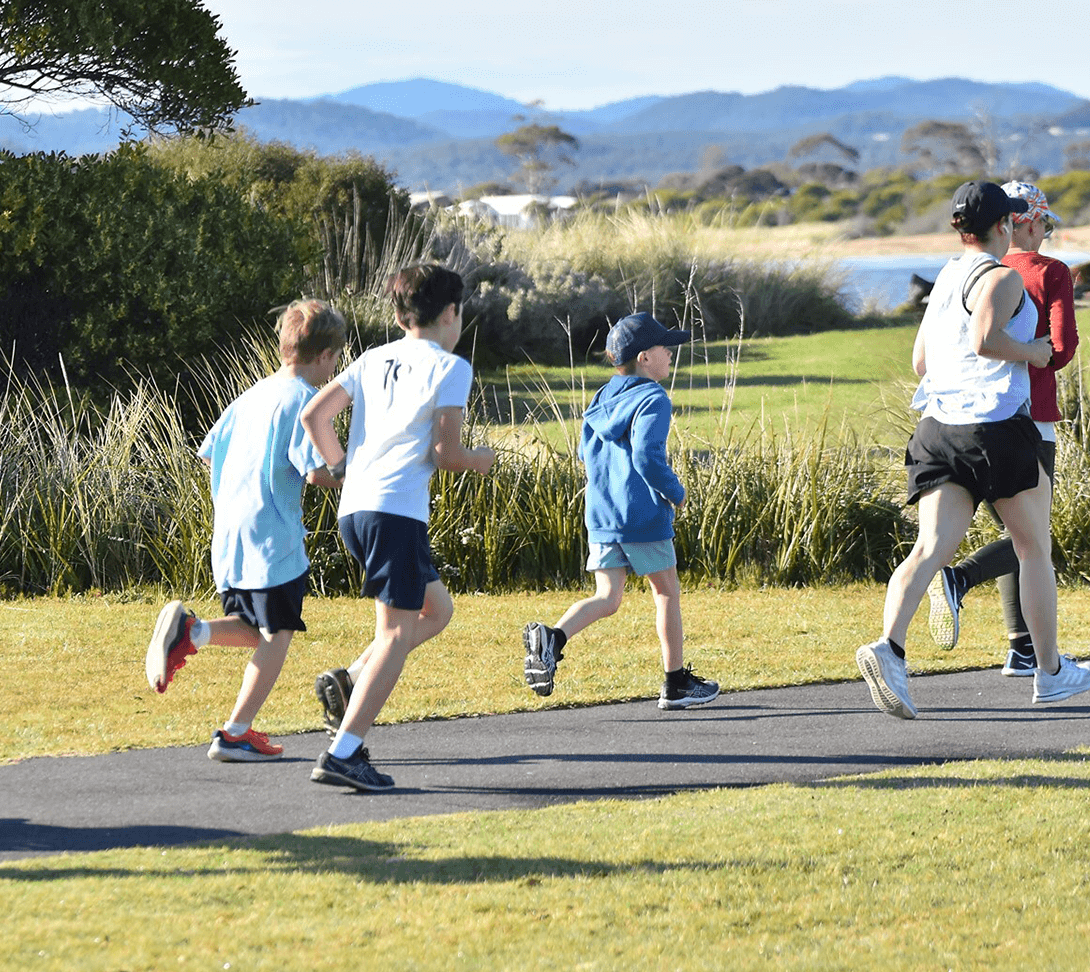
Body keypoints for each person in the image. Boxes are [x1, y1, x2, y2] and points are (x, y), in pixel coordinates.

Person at [857, 181, 1090, 719]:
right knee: (1034, 548)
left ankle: (889, 648)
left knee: (928, 549)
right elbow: (986, 340)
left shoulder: (945, 275)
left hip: (935, 431)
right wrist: (1034, 352)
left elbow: (921, 361)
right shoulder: (1002, 276)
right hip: (992, 429)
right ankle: (1051, 672)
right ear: (1006, 224)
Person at [298, 264, 494, 791]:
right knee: (395, 632)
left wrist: (341, 469)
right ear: (451, 313)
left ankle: (350, 681)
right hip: (396, 512)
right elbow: (446, 454)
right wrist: (481, 459)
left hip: (356, 511)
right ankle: (344, 752)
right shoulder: (450, 367)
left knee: (437, 610)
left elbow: (314, 416)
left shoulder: (372, 357)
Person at [144, 300, 347, 762]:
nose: (336, 366)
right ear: (323, 356)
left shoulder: (251, 395)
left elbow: (212, 453)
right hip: (272, 532)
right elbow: (317, 472)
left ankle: (191, 633)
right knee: (278, 634)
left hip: (232, 529)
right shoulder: (302, 401)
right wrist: (356, 470)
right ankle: (235, 732)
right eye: (336, 357)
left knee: (255, 628)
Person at [521, 313, 720, 709]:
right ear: (645, 358)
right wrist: (677, 492)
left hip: (603, 515)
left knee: (608, 597)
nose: (671, 354)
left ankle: (553, 639)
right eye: (666, 348)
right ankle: (676, 683)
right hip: (642, 514)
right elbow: (647, 458)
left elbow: (584, 454)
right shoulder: (653, 398)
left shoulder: (600, 399)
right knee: (666, 593)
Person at [926, 181, 1078, 676]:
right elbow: (1062, 346)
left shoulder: (968, 271)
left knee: (1018, 535)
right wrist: (1038, 356)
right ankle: (961, 579)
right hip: (1027, 413)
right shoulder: (1048, 271)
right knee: (1034, 539)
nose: (1045, 234)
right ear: (1020, 222)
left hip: (959, 417)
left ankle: (1021, 646)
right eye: (1043, 224)